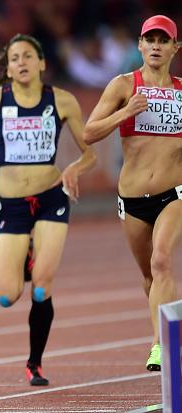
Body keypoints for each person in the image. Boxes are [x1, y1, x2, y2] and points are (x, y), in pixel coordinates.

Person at [0, 34, 96, 386]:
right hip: (13, 206)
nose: (21, 63)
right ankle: (29, 255)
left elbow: (90, 153)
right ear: (7, 67)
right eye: (14, 58)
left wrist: (74, 169)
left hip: (51, 198)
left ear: (42, 63)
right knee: (6, 296)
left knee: (41, 288)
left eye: (28, 56)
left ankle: (35, 362)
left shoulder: (61, 101)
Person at [83, 14, 182, 372]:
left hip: (175, 194)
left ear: (175, 48)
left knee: (162, 261)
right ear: (140, 45)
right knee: (149, 275)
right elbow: (89, 133)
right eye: (149, 39)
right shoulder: (123, 85)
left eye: (163, 40)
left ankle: (162, 346)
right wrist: (127, 111)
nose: (156, 46)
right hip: (133, 199)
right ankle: (163, 328)